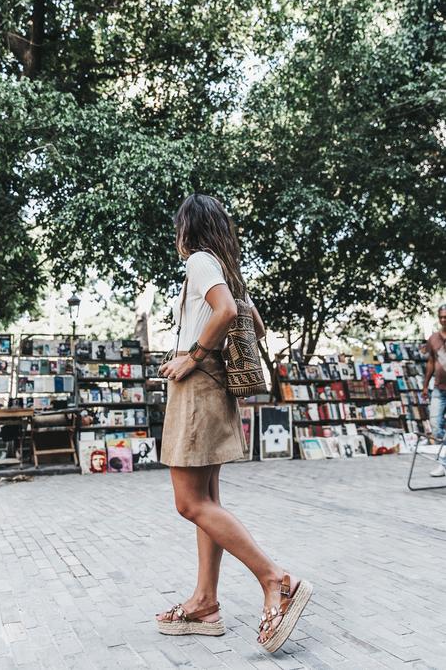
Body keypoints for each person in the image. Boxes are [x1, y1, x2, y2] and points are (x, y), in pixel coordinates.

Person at [156, 193, 312, 653]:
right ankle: (205, 602)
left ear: (189, 227)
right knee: (208, 500)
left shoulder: (201, 262)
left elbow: (225, 313)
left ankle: (276, 580)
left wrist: (193, 356)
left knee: (189, 503)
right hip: (217, 391)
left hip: (198, 388)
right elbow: (254, 326)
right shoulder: (226, 268)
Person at [422, 304, 446, 477]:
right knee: (436, 426)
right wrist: (425, 385)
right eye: (441, 317)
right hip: (439, 388)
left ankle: (443, 463)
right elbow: (431, 362)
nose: (444, 319)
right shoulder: (433, 339)